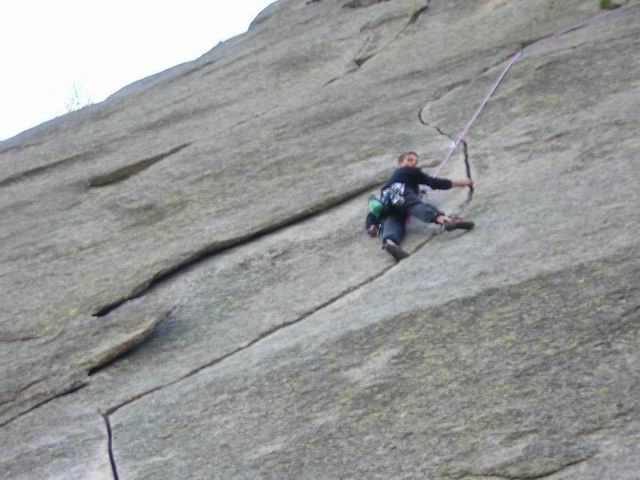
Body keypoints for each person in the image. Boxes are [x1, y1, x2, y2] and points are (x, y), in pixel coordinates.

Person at [368, 151, 474, 261]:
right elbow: (433, 182)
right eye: (410, 160)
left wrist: (371, 225)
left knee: (393, 224)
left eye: (415, 161)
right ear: (400, 164)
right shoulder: (406, 171)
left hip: (388, 205)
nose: (414, 163)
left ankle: (390, 243)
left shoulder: (390, 183)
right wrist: (459, 183)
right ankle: (445, 220)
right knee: (415, 206)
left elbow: (374, 212)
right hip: (398, 193)